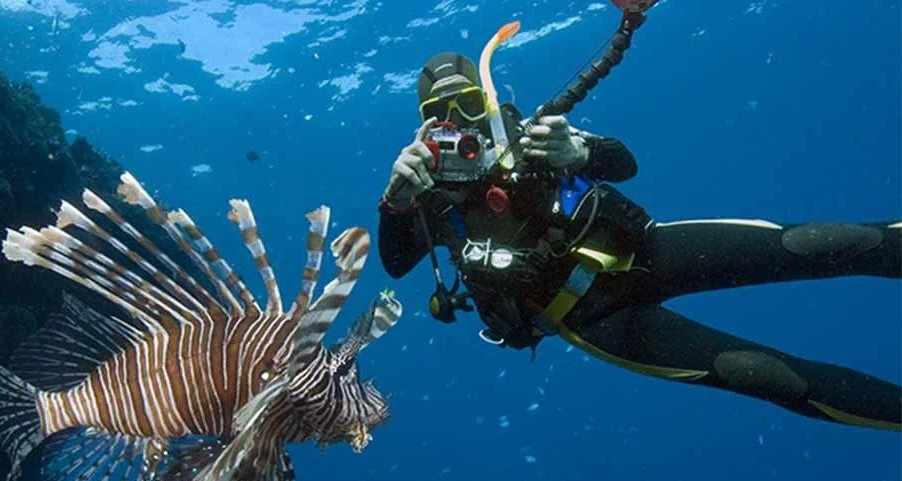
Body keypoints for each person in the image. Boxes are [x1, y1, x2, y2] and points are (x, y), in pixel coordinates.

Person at [376, 51, 902, 431]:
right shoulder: (426, 194)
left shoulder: (532, 136)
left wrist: (579, 153)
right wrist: (395, 205)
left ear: (489, 100)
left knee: (821, 242)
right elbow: (395, 263)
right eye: (437, 117)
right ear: (422, 126)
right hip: (589, 317)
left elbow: (624, 163)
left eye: (468, 105)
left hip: (646, 250)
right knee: (763, 375)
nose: (456, 126)